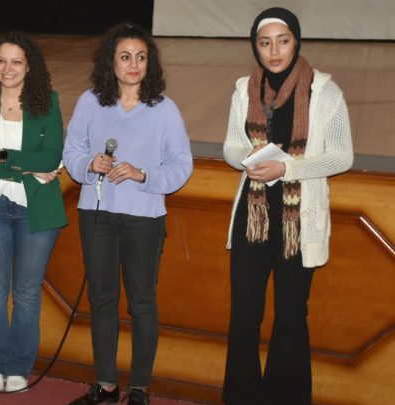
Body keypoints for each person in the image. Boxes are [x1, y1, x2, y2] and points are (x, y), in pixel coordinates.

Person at [221, 8, 353, 404]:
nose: (274, 51)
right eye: (265, 43)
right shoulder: (244, 88)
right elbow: (231, 146)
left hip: (299, 223)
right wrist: (248, 157)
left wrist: (287, 167)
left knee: (291, 318)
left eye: (283, 41)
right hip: (253, 218)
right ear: (255, 46)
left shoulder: (324, 91)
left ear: (296, 42)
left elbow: (341, 156)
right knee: (244, 316)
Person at [63, 23, 193, 405]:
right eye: (125, 57)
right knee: (102, 301)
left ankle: (139, 389)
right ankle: (106, 385)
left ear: (149, 63)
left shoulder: (164, 109)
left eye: (141, 57)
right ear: (111, 61)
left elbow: (182, 164)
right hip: (97, 215)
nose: (133, 64)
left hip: (144, 218)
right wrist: (91, 164)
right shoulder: (90, 102)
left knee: (141, 303)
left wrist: (144, 174)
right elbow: (72, 153)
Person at [0, 31, 67, 393]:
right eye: (1, 61)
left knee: (27, 294)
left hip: (36, 210)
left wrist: (3, 156)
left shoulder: (47, 102)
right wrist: (28, 167)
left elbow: (51, 157)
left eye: (16, 61)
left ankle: (19, 367)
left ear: (29, 66)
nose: (8, 68)